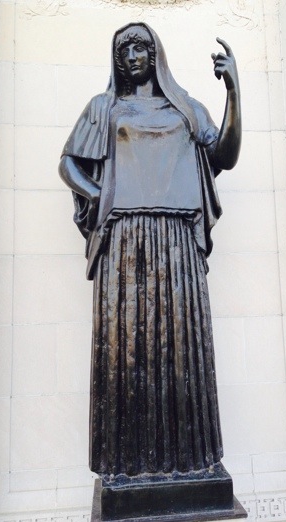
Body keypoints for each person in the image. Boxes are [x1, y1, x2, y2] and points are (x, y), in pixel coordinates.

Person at [59, 22, 241, 481]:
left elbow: (224, 153)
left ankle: (191, 463)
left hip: (177, 238)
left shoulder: (184, 108)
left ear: (155, 52)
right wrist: (103, 196)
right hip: (125, 238)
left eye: (141, 45)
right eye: (124, 48)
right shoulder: (105, 108)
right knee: (127, 350)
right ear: (117, 60)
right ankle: (126, 465)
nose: (133, 54)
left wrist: (234, 91)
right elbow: (68, 164)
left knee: (182, 346)